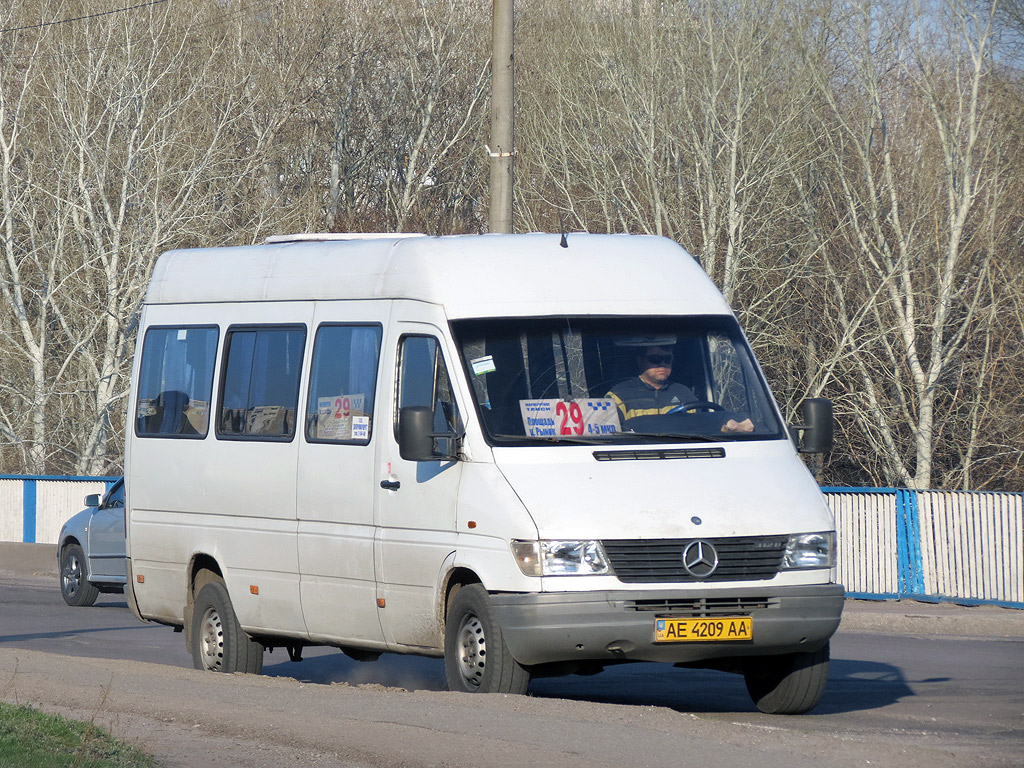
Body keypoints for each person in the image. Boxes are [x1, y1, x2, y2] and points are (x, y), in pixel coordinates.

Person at [606, 344, 754, 433]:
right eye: (655, 359)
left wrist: (732, 424)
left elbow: (700, 427)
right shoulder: (618, 396)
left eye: (667, 359)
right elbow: (609, 439)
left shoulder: (684, 393)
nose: (662, 364)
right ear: (640, 361)